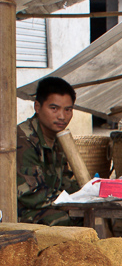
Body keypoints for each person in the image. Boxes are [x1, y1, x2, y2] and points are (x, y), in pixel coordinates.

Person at [16, 76, 81, 225]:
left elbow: (64, 181)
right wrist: (75, 203)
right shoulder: (23, 140)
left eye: (68, 110)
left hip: (45, 206)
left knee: (94, 216)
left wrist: (90, 193)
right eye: (54, 108)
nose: (62, 116)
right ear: (37, 107)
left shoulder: (57, 139)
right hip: (18, 212)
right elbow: (32, 196)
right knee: (64, 222)